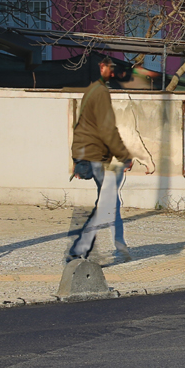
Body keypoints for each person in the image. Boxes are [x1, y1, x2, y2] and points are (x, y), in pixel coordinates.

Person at [68, 56, 133, 262]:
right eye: (110, 68)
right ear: (102, 67)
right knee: (108, 203)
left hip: (89, 153)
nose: (113, 73)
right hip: (94, 155)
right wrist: (124, 155)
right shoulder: (101, 92)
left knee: (109, 202)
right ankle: (81, 249)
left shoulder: (92, 90)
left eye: (115, 70)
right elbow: (107, 129)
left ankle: (120, 248)